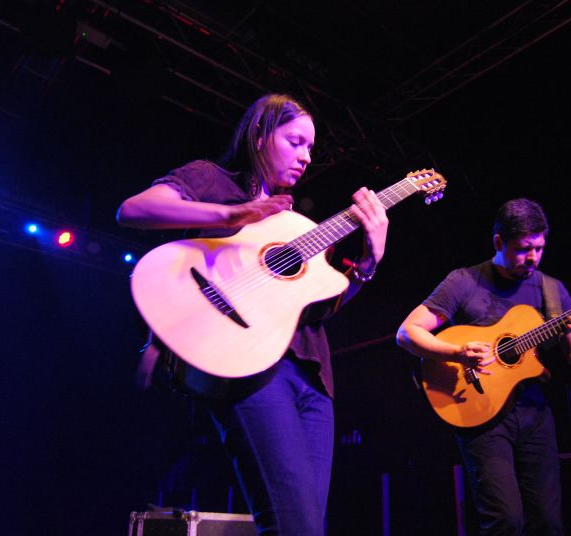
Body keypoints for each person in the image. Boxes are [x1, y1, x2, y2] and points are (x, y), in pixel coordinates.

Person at [116, 93, 389, 535]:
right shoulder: (211, 179)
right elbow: (133, 210)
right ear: (261, 135)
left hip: (314, 381)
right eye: (296, 141)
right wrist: (231, 213)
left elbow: (319, 310)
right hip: (249, 368)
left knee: (307, 528)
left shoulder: (295, 225)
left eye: (311, 149)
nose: (306, 157)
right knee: (294, 527)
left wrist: (369, 265)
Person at [396, 198, 571, 535]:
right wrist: (458, 351)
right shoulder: (464, 281)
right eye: (524, 249)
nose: (533, 258)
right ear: (498, 242)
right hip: (482, 416)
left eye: (539, 248)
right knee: (505, 520)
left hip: (535, 415)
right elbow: (408, 333)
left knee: (549, 522)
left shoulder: (553, 291)